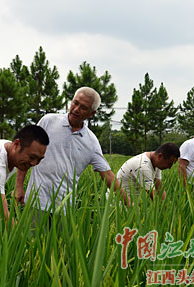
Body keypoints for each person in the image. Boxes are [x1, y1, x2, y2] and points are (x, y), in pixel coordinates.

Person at [15, 87, 130, 222]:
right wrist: (18, 186)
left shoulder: (91, 142)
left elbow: (108, 175)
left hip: (65, 208)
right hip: (36, 202)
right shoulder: (48, 121)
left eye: (83, 107)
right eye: (75, 103)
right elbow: (26, 154)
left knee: (61, 243)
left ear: (92, 113)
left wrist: (129, 203)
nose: (76, 109)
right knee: (32, 242)